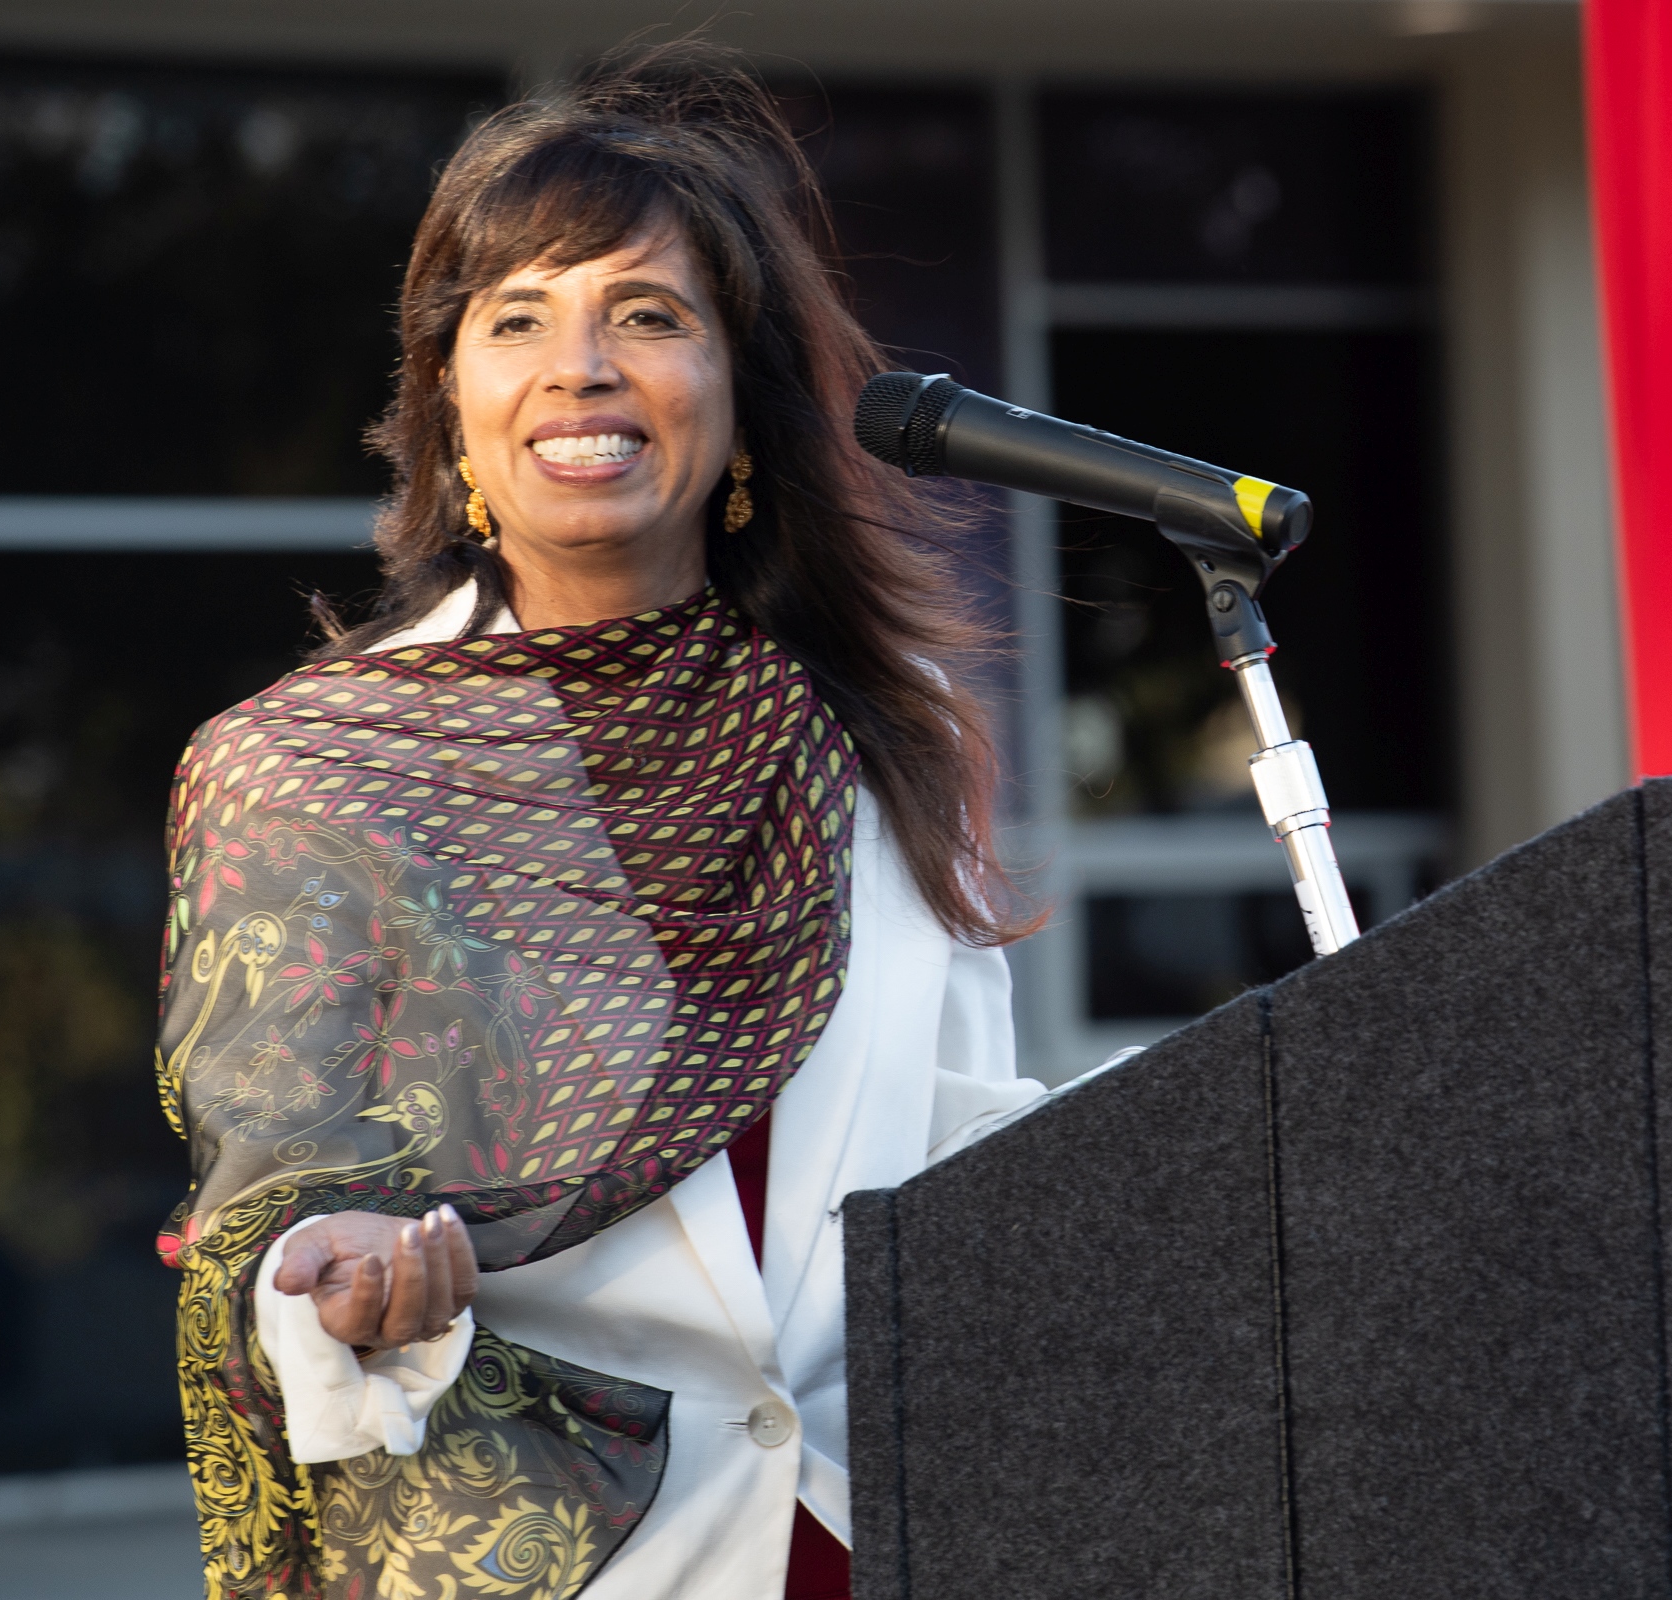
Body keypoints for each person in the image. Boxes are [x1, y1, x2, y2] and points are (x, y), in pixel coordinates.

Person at [157, 45, 1046, 1600]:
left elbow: (969, 1135)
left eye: (648, 315)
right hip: (563, 1560)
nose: (581, 366)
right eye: (517, 322)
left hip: (889, 1534)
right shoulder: (312, 772)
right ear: (453, 405)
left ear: (738, 403)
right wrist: (334, 1286)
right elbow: (267, 1200)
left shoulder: (885, 727)